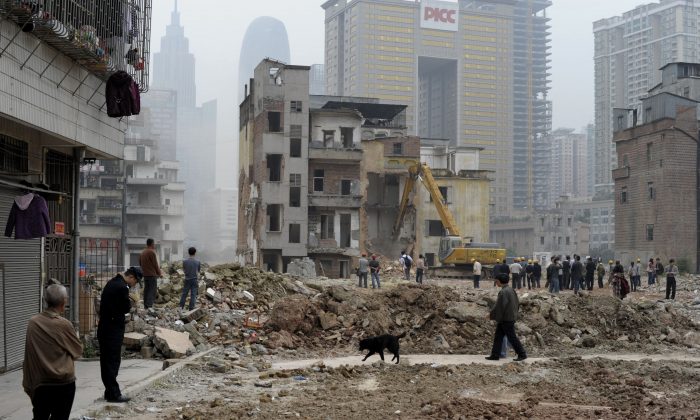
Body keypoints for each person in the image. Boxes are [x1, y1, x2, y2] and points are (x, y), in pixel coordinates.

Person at [23, 284, 83, 419]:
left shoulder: (33, 322)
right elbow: (77, 351)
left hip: (40, 383)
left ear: (45, 300)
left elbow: (29, 353)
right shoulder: (64, 324)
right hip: (63, 383)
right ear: (64, 302)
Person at [98, 266, 143, 403]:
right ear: (131, 277)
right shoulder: (122, 287)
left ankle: (109, 392)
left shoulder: (113, 282)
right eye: (135, 282)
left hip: (105, 328)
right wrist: (132, 301)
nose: (134, 284)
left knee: (107, 362)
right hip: (112, 330)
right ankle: (114, 394)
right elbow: (125, 308)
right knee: (112, 362)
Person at [485, 274, 527, 362]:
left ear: (499, 281)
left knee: (512, 337)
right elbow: (516, 303)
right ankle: (495, 354)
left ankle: (522, 354)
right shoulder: (511, 290)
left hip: (506, 318)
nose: (496, 283)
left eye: (496, 281)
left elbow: (499, 306)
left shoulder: (503, 292)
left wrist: (492, 315)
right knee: (498, 336)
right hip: (509, 316)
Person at [139, 238, 162, 310]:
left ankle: (146, 305)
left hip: (145, 275)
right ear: (152, 244)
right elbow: (155, 264)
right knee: (152, 290)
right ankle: (149, 305)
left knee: (147, 290)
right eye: (154, 243)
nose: (154, 245)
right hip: (152, 275)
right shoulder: (151, 252)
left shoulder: (142, 252)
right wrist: (159, 273)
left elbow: (140, 263)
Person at [179, 247, 201, 311]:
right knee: (193, 295)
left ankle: (181, 307)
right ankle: (191, 308)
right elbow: (198, 271)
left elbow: (184, 269)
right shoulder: (197, 262)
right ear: (195, 253)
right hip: (194, 280)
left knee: (184, 294)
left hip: (187, 279)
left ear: (188, 253)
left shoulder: (185, 262)